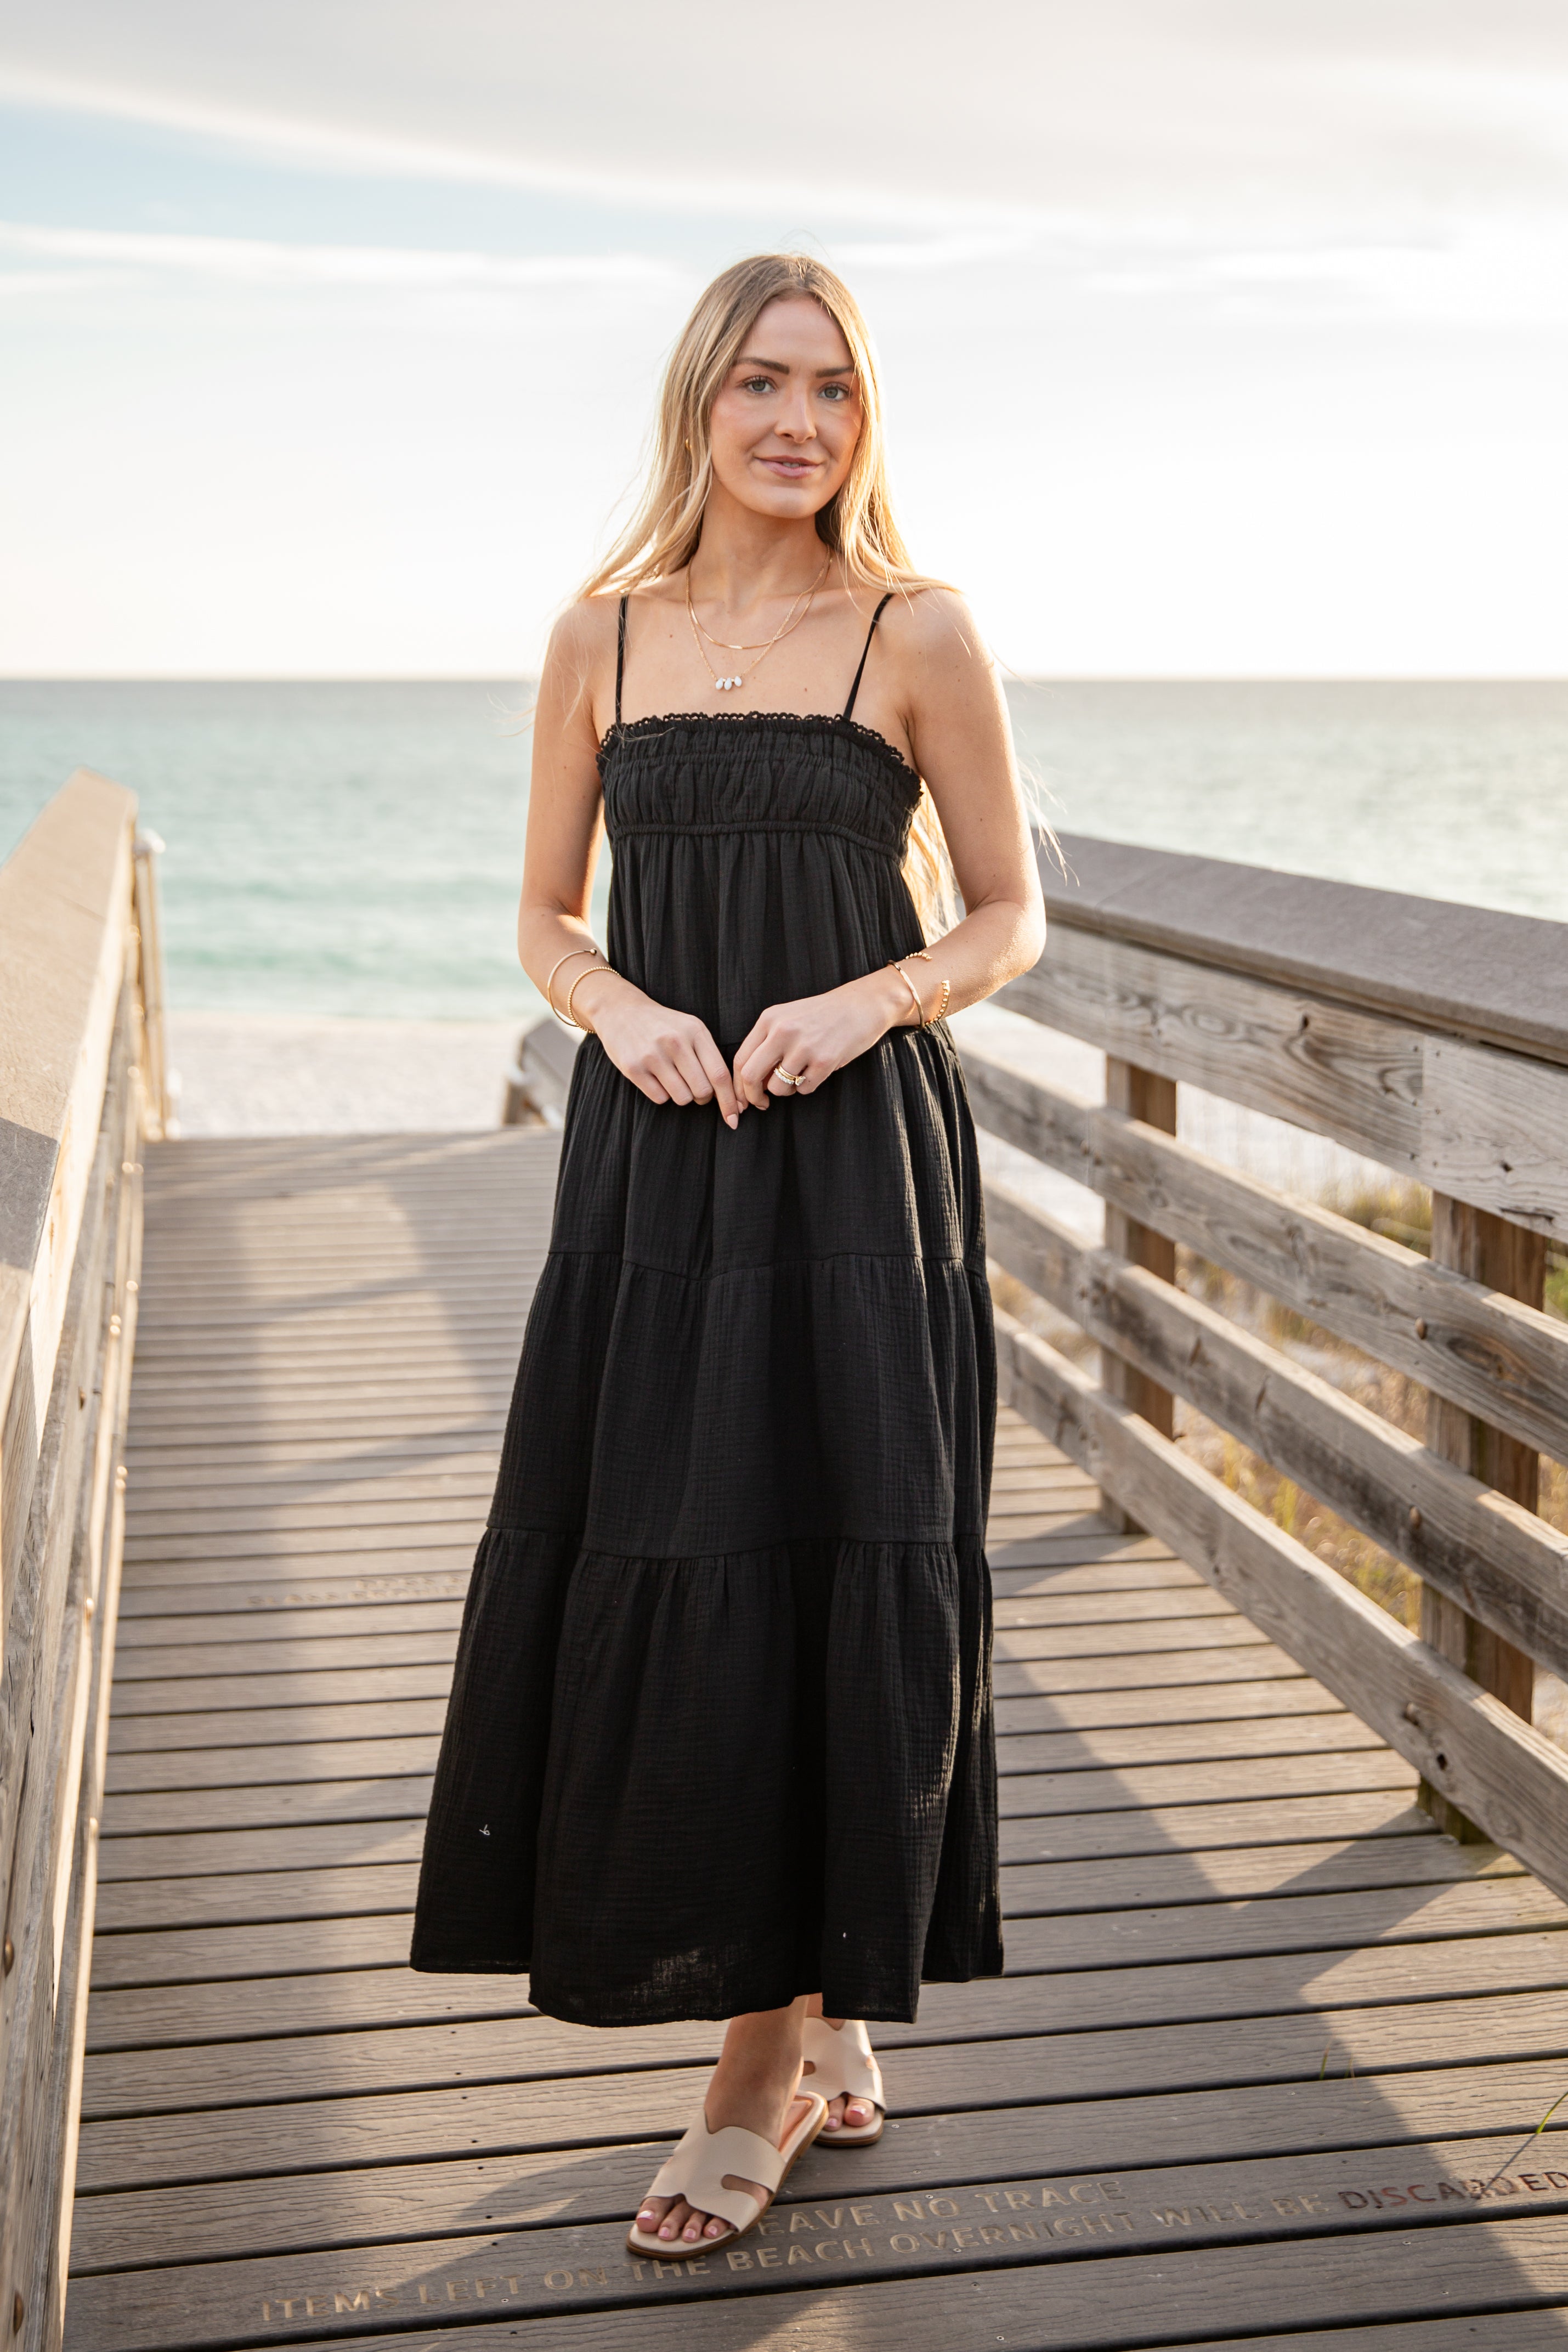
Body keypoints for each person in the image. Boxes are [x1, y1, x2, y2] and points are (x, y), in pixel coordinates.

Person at [411, 251, 1046, 2259]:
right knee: (677, 1552)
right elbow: (539, 913)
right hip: (659, 1175)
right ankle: (830, 2008)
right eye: (760, 384)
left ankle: (754, 2076)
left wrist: (873, 1002)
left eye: (835, 390)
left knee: (829, 1555)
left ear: (867, 418)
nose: (798, 422)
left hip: (857, 1175)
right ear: (696, 402)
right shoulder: (601, 634)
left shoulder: (916, 629)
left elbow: (1013, 914)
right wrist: (610, 1008)